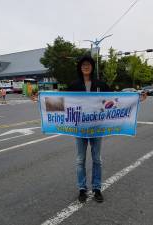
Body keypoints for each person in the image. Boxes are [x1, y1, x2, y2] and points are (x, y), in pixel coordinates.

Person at [68, 55, 110, 203]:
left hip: (97, 128)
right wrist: (41, 98)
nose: (86, 66)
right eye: (83, 64)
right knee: (80, 160)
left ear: (92, 67)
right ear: (80, 68)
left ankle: (97, 188)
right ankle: (82, 189)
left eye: (88, 64)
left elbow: (116, 100)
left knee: (97, 159)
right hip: (79, 128)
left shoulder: (101, 84)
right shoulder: (73, 85)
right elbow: (63, 102)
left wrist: (137, 98)